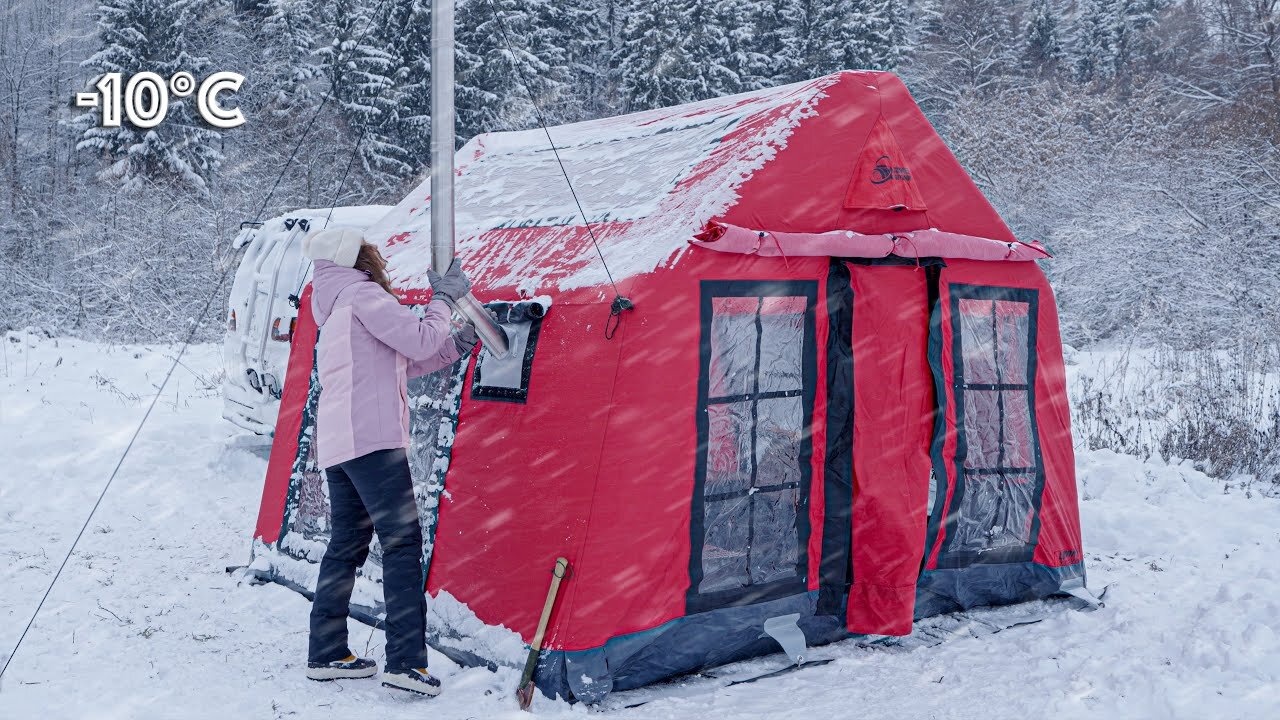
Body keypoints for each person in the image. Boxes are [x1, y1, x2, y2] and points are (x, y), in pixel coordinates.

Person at [300, 227, 476, 697]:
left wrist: (453, 347)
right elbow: (417, 340)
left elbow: (399, 360)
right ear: (357, 259)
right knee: (401, 545)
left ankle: (328, 649)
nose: (379, 261)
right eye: (371, 253)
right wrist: (443, 297)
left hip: (340, 446)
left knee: (347, 545)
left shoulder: (334, 308)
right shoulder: (363, 296)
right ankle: (405, 662)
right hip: (374, 441)